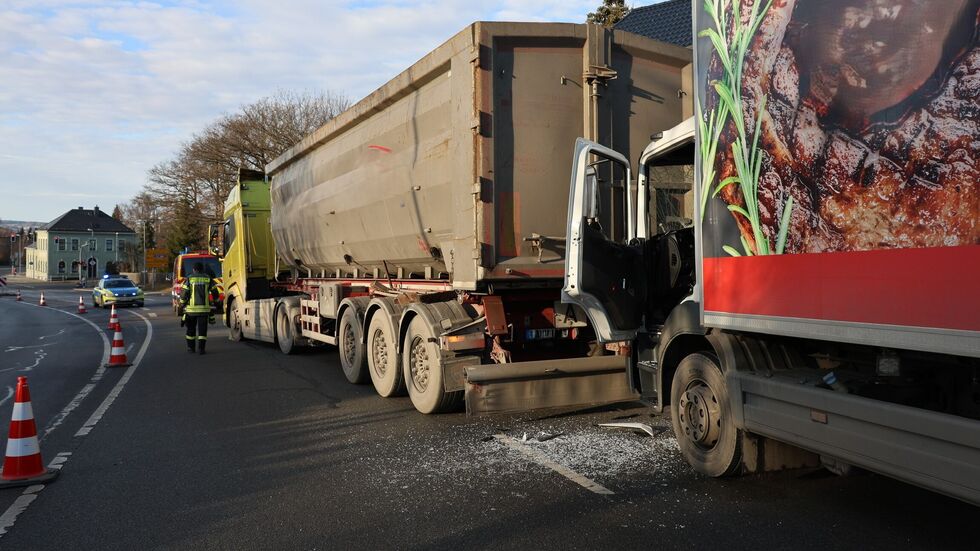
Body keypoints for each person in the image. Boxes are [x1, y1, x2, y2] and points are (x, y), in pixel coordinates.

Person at [179, 262, 220, 354]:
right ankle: (201, 349)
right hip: (204, 310)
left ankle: (191, 348)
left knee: (190, 330)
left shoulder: (189, 279)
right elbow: (215, 292)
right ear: (202, 270)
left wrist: (181, 305)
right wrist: (217, 303)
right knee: (202, 331)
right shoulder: (208, 278)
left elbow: (184, 293)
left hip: (191, 311)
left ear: (194, 269)